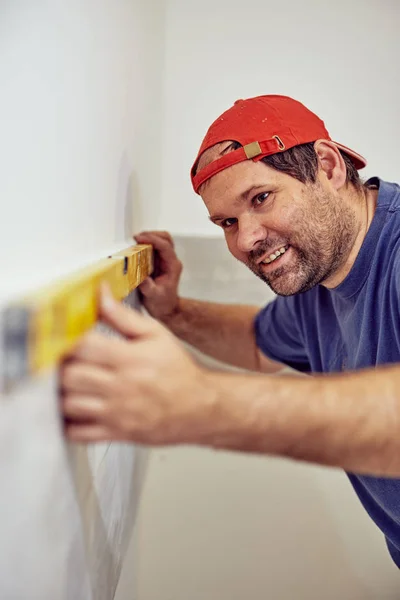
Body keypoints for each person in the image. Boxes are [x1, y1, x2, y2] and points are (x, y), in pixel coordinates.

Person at [60, 94, 400, 567]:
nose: (246, 240)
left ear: (327, 165)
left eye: (261, 198)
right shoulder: (320, 276)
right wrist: (173, 312)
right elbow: (258, 342)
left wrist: (201, 402)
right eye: (227, 222)